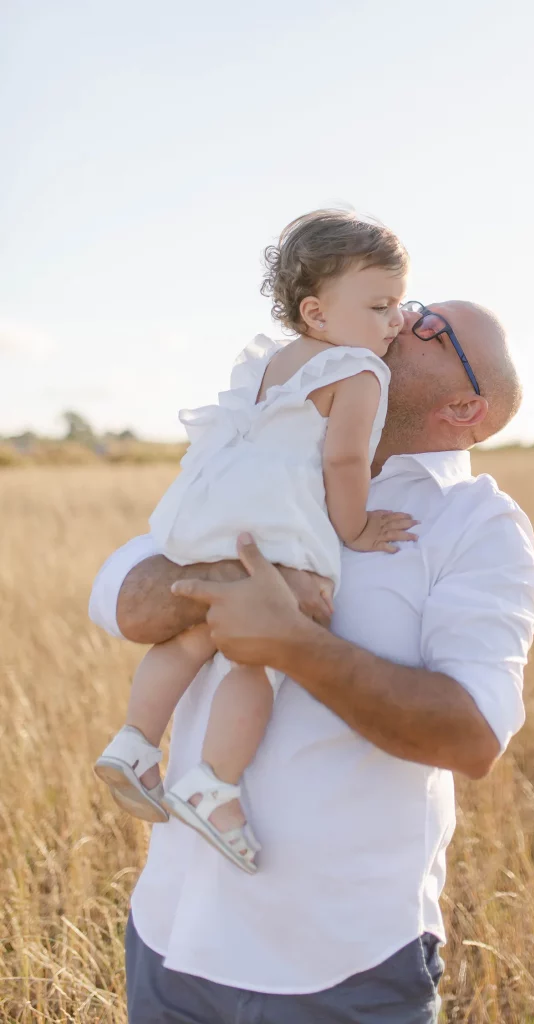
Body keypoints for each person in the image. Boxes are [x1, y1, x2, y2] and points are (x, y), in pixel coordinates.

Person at [89, 298, 534, 1024]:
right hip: (172, 936)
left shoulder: (478, 526)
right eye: (405, 304)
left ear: (464, 408)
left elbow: (471, 735)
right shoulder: (268, 447)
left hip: (341, 965)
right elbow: (123, 601)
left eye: (429, 325)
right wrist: (248, 584)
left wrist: (294, 643)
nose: (398, 318)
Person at [93, 209, 413, 872]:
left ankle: (133, 741)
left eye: (400, 306)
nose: (394, 323)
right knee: (255, 657)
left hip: (214, 508)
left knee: (191, 636)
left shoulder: (274, 362)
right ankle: (213, 782)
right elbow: (344, 462)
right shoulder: (358, 371)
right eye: (381, 306)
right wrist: (353, 528)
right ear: (317, 313)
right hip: (279, 521)